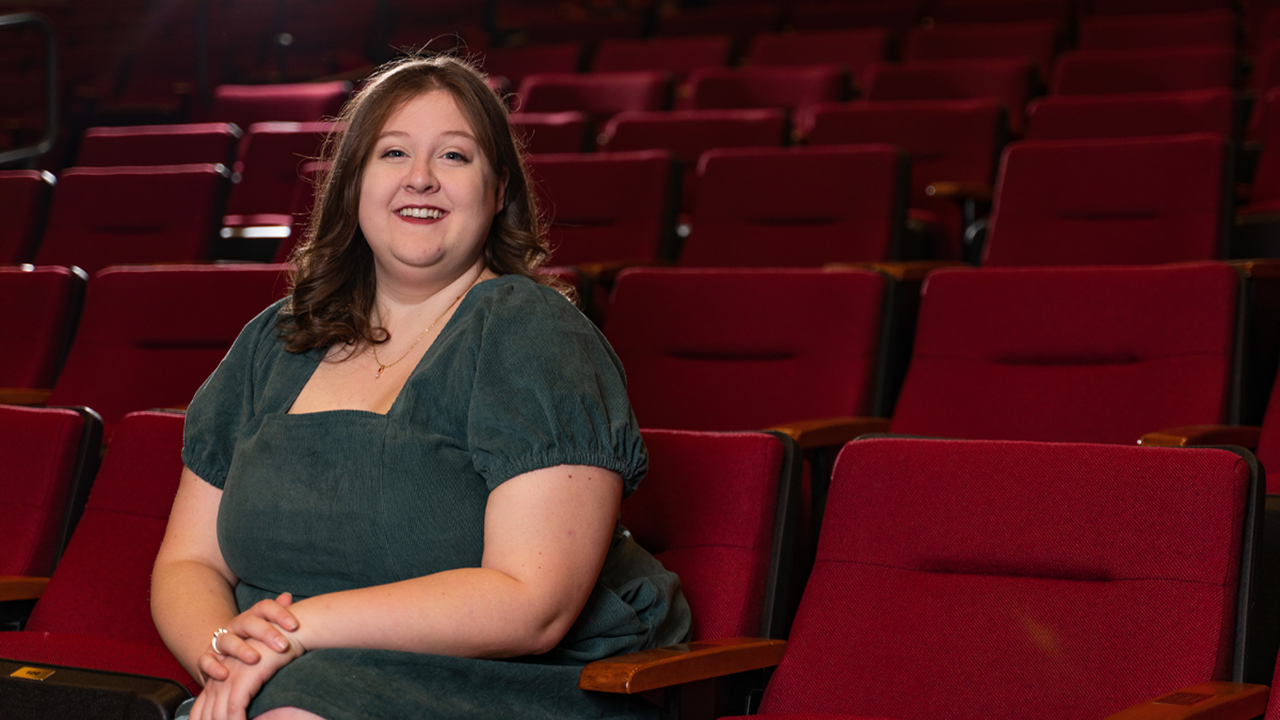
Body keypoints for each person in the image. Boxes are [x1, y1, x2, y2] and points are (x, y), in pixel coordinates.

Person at [151, 53, 690, 720]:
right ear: (352, 185)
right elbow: (188, 562)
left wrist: (288, 637)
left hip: (518, 685)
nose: (421, 179)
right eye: (393, 152)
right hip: (286, 681)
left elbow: (534, 605)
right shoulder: (275, 342)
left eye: (455, 157)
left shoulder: (532, 336)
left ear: (498, 193)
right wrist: (226, 650)